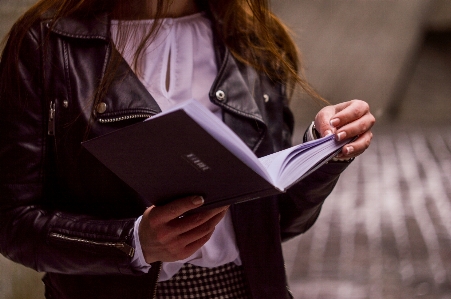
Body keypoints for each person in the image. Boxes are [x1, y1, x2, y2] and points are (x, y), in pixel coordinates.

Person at [0, 0, 375, 298]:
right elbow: (12, 222)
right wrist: (131, 242)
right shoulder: (46, 42)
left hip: (242, 290)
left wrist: (324, 150)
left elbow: (277, 222)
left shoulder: (253, 37)